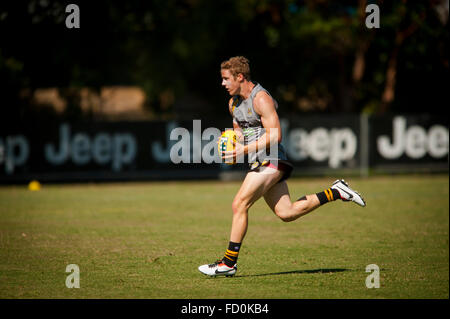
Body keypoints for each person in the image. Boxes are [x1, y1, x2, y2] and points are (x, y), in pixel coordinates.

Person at [198, 56, 366, 277]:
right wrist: (232, 143)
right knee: (286, 213)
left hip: (273, 159)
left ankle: (228, 263)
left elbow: (275, 134)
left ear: (240, 77)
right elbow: (239, 133)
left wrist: (242, 150)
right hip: (260, 160)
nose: (223, 83)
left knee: (239, 204)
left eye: (226, 78)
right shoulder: (233, 104)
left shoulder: (261, 99)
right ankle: (336, 192)